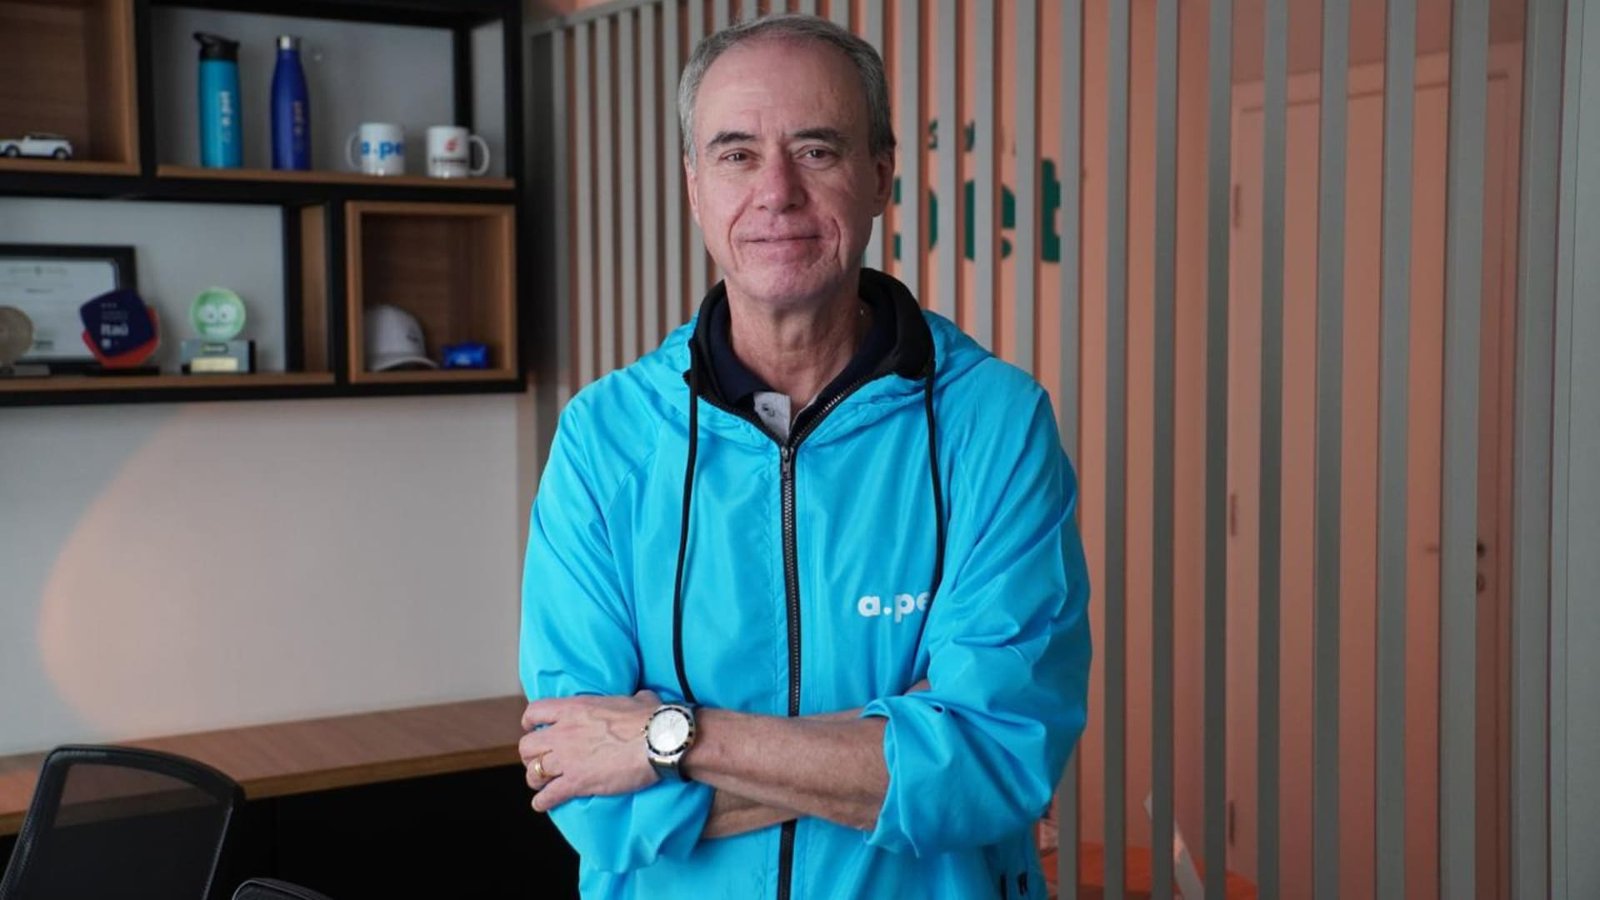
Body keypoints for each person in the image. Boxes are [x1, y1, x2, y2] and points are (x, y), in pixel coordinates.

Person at [519, 13, 1090, 898]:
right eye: (737, 154)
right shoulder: (605, 440)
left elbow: (992, 762)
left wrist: (668, 741)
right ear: (694, 186)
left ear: (880, 175)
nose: (776, 192)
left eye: (816, 151)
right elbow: (589, 797)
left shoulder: (995, 425)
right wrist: (892, 745)